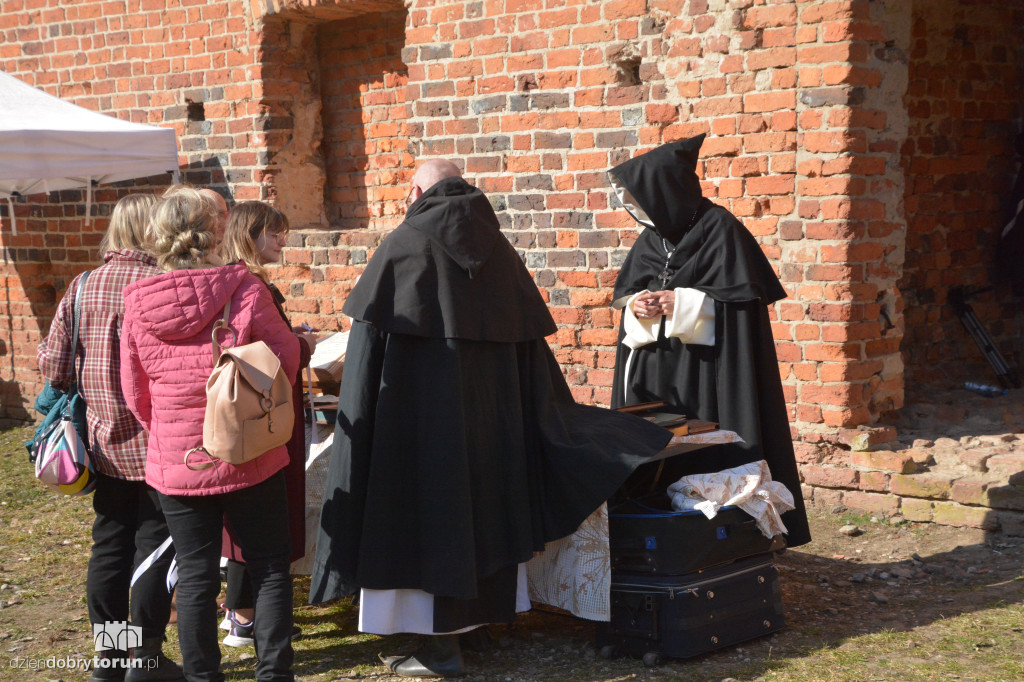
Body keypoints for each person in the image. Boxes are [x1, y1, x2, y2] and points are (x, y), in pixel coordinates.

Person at [309, 160, 672, 678]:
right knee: (483, 512)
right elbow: (531, 358)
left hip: (416, 429)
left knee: (427, 522)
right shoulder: (500, 253)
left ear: (416, 191)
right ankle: (474, 627)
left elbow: (367, 357)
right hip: (493, 427)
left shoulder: (402, 247)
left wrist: (361, 423)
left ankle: (437, 647)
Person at [120, 187, 301, 681]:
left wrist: (169, 433)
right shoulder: (243, 288)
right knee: (267, 566)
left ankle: (203, 678)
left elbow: (133, 390)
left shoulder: (135, 301)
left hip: (178, 460)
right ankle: (274, 674)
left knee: (196, 575)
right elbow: (287, 356)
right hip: (250, 448)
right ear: (216, 231)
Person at [607, 133, 811, 547]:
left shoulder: (722, 230)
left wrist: (682, 302)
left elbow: (740, 308)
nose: (640, 209)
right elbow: (628, 293)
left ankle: (727, 534)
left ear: (667, 191)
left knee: (711, 446)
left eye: (646, 197)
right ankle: (659, 529)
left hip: (710, 371)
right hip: (660, 369)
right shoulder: (653, 238)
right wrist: (639, 306)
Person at [37, 194, 184, 682]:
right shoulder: (163, 285)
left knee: (110, 548)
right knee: (155, 549)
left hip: (101, 444)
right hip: (160, 442)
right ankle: (143, 660)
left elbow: (54, 370)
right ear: (155, 229)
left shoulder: (81, 287)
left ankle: (112, 658)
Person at [215, 201, 316, 647]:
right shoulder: (249, 286)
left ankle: (241, 610)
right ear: (249, 235)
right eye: (274, 233)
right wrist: (303, 344)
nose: (282, 241)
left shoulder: (230, 282)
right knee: (260, 511)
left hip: (248, 411)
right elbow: (263, 354)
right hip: (261, 412)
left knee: (247, 509)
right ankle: (245, 615)